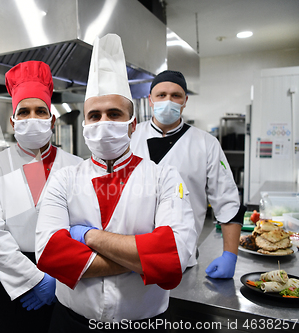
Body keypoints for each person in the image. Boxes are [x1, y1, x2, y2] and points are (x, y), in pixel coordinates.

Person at [35, 34, 197, 332]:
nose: (103, 123)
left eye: (114, 114)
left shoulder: (163, 177)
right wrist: (145, 260)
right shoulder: (64, 179)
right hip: (71, 324)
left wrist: (89, 238)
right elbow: (49, 254)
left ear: (132, 124)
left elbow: (173, 259)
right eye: (94, 116)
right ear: (84, 126)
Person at [0, 60, 82, 333]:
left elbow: (84, 228)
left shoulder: (76, 167)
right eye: (23, 112)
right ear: (13, 121)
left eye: (40, 111)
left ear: (52, 119)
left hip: (64, 281)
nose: (32, 118)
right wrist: (34, 280)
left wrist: (56, 281)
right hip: (13, 285)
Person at [129, 70, 246, 279]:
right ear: (150, 100)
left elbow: (227, 201)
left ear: (185, 101)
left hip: (182, 258)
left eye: (176, 96)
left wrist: (230, 255)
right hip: (128, 256)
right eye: (161, 95)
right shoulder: (129, 137)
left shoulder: (206, 144)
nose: (168, 100)